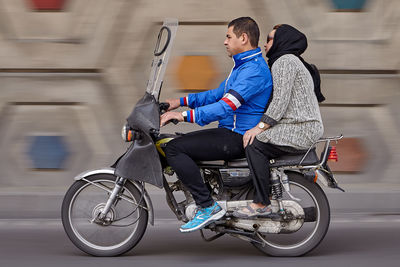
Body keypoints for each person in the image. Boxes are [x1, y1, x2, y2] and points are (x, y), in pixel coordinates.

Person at [160, 17, 273, 232]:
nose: (225, 41)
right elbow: (216, 94)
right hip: (229, 131)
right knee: (178, 142)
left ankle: (207, 206)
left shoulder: (254, 71)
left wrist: (184, 116)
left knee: (175, 148)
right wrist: (178, 101)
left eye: (228, 36)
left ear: (244, 38)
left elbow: (226, 106)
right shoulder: (242, 66)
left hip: (236, 136)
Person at [234, 24, 324, 218]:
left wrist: (258, 128)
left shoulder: (285, 61)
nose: (265, 45)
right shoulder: (290, 61)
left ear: (283, 41)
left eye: (270, 39)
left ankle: (261, 202)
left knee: (254, 144)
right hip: (298, 126)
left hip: (301, 128)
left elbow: (280, 101)